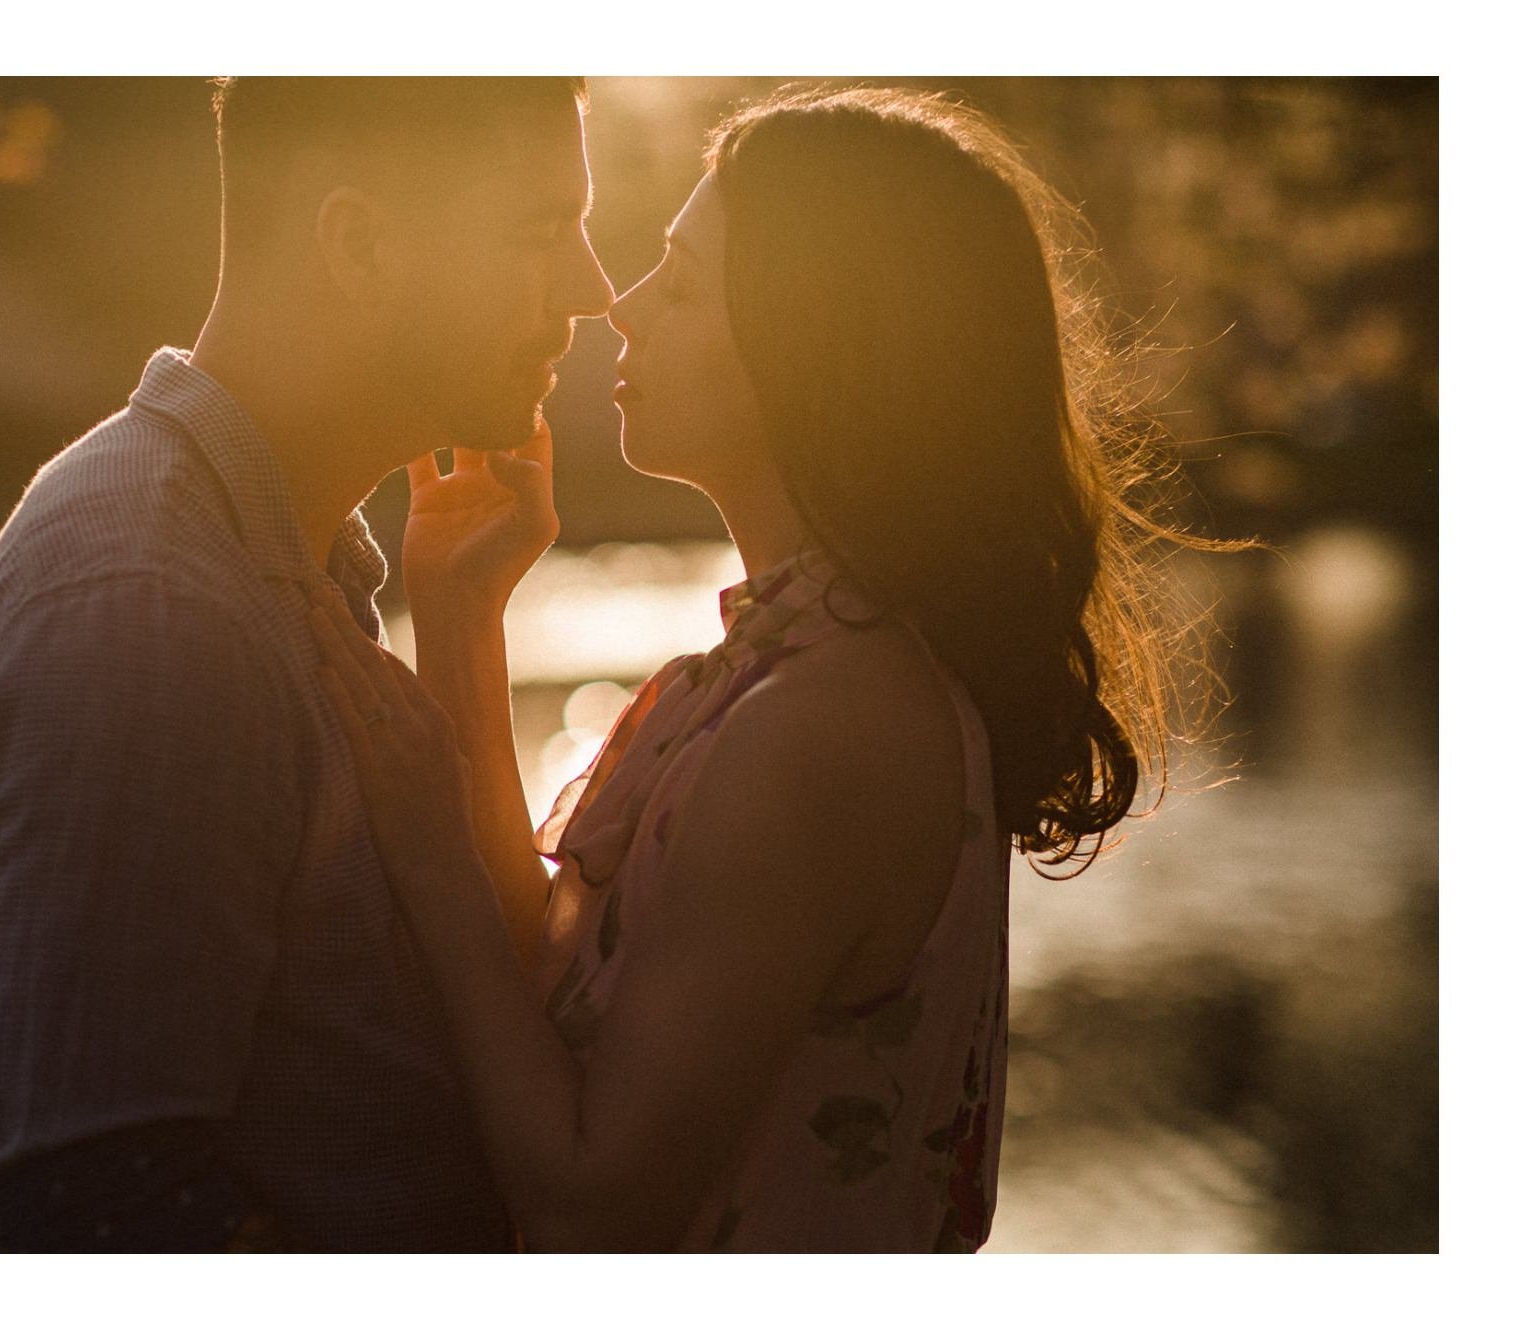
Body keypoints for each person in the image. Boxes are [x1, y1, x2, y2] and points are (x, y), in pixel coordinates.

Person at [308, 85, 1218, 1251]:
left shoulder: (825, 724)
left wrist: (431, 859)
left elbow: (590, 1203)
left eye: (681, 284)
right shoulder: (795, 672)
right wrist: (462, 611)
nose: (621, 309)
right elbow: (538, 978)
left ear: (813, 346)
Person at [0, 77, 614, 1252]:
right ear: (361, 242)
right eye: (542, 232)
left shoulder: (274, 560)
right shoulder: (146, 615)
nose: (594, 289)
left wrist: (461, 627)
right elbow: (106, 1212)